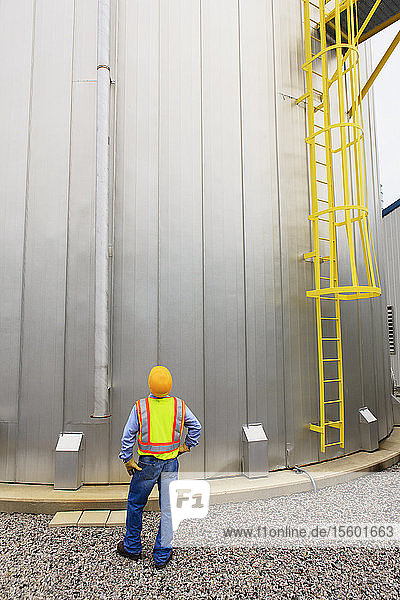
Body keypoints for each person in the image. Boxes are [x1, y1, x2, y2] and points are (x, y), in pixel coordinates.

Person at [117, 365, 202, 569]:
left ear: (149, 385)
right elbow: (196, 427)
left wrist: (127, 459)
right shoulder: (179, 406)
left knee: (136, 504)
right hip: (170, 463)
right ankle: (162, 555)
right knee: (169, 508)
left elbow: (128, 436)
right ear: (170, 385)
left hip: (146, 464)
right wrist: (186, 446)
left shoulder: (141, 407)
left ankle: (132, 547)